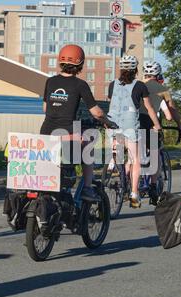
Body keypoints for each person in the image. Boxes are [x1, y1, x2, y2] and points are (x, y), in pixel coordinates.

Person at [40, 44, 113, 202]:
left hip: (46, 134)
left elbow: (45, 108)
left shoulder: (50, 81)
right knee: (88, 147)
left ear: (60, 61)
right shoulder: (80, 85)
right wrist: (107, 122)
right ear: (80, 64)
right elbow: (96, 112)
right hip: (66, 135)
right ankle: (87, 188)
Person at [107, 55, 162, 208]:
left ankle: (113, 164)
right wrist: (157, 125)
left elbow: (112, 102)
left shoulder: (112, 84)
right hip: (131, 125)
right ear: (136, 69)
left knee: (117, 147)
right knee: (135, 159)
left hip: (113, 123)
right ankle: (134, 193)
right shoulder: (140, 86)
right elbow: (150, 108)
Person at [140, 61, 181, 205]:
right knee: (155, 152)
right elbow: (172, 111)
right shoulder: (162, 89)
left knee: (134, 154)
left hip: (133, 124)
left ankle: (129, 185)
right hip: (151, 124)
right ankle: (153, 185)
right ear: (157, 74)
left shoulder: (136, 86)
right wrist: (180, 125)